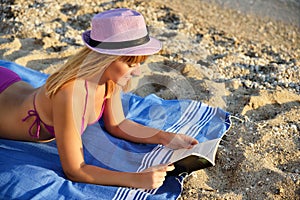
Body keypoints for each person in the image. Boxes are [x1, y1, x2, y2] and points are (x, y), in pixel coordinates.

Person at [0, 8, 198, 189]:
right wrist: (136, 179)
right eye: (131, 64)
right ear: (106, 59)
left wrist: (165, 137)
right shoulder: (69, 95)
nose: (137, 73)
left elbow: (117, 124)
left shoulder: (109, 79)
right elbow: (75, 170)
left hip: (12, 85)